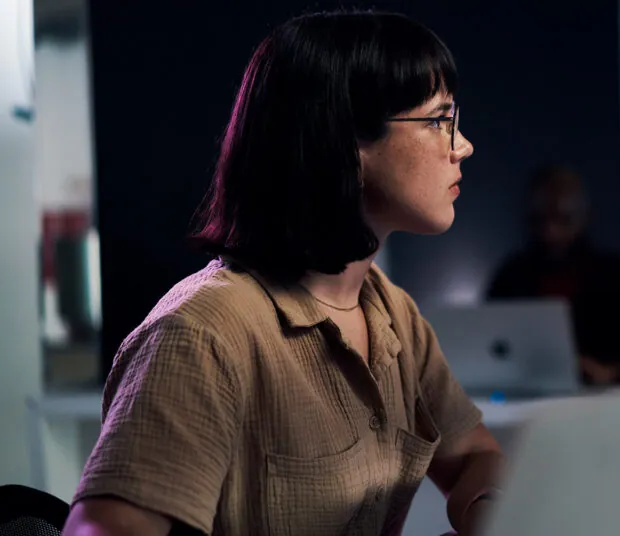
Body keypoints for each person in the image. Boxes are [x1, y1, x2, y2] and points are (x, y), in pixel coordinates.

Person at [63, 11, 502, 536]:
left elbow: (474, 452)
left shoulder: (390, 311)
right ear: (343, 140)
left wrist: (492, 512)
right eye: (438, 120)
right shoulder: (203, 334)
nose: (462, 145)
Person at [486, 165, 620, 385]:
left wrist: (615, 374)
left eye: (563, 219)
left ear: (586, 217)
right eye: (539, 219)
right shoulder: (510, 279)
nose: (550, 231)